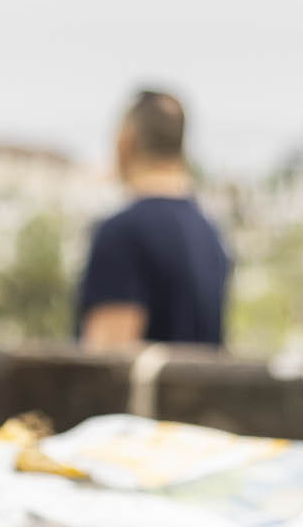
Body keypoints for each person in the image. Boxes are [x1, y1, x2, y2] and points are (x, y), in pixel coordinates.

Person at [74, 90, 230, 350]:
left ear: (126, 140)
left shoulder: (122, 233)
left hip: (148, 392)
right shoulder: (211, 232)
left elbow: (105, 364)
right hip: (198, 390)